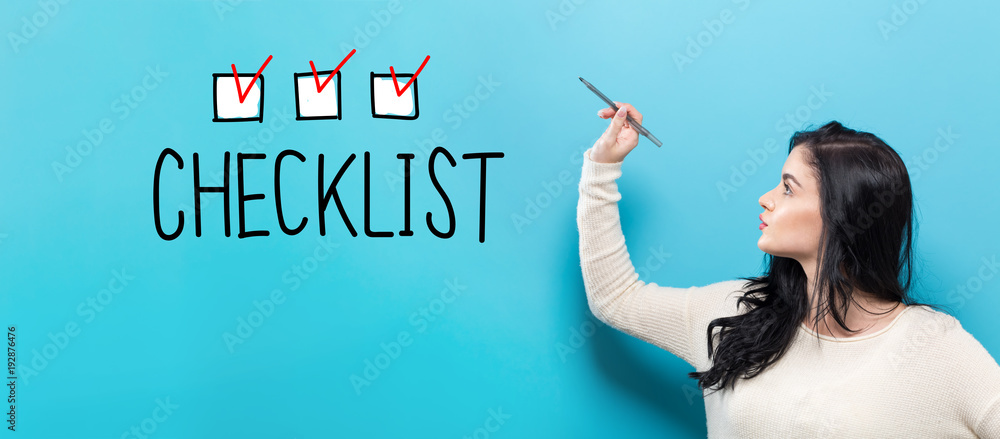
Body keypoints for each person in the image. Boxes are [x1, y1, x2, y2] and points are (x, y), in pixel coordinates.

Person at [577, 102, 1000, 438]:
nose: (766, 198)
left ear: (842, 214)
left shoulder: (935, 348)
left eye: (787, 187)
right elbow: (615, 298)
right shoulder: (735, 316)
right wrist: (602, 165)